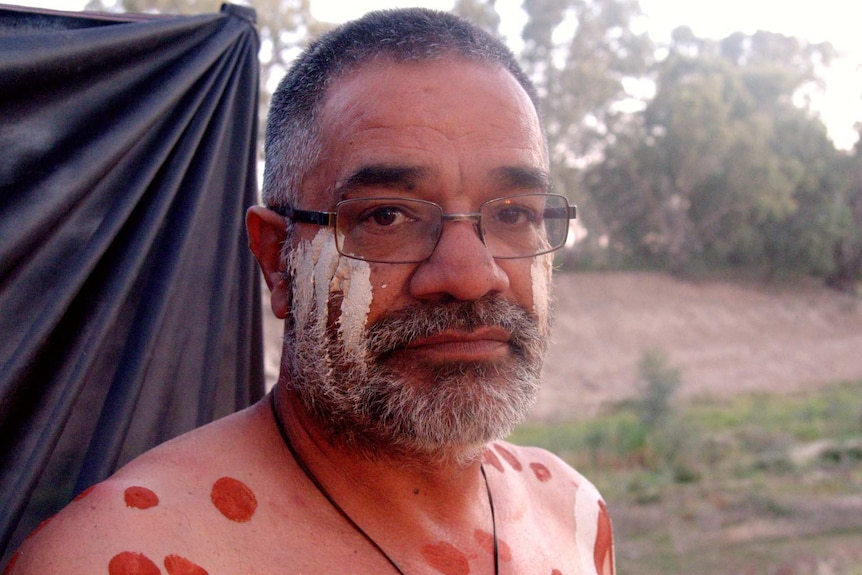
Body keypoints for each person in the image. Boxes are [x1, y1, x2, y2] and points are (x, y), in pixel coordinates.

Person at [7, 8, 614, 575]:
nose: (471, 275)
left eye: (514, 213)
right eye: (385, 217)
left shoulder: (572, 513)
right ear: (277, 260)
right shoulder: (121, 555)